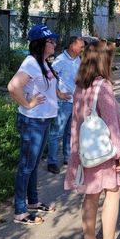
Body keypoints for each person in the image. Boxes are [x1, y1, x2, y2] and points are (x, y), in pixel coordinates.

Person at [64, 43, 120, 239]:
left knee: (91, 195)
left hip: (85, 151)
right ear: (104, 61)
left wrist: (76, 152)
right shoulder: (102, 87)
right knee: (113, 192)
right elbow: (112, 124)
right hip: (105, 152)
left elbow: (75, 122)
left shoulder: (80, 86)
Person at [7, 24, 59, 225]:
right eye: (50, 41)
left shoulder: (43, 63)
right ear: (39, 43)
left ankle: (32, 202)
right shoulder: (30, 63)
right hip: (32, 122)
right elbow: (13, 87)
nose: (54, 44)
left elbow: (46, 88)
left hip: (43, 121)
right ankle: (20, 211)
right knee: (26, 166)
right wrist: (28, 104)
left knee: (34, 164)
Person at [46, 36, 85, 174]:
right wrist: (58, 93)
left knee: (70, 132)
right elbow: (49, 78)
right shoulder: (60, 60)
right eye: (81, 46)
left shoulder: (78, 59)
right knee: (57, 133)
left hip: (75, 101)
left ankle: (67, 158)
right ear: (72, 46)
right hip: (63, 102)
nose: (82, 48)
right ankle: (51, 162)